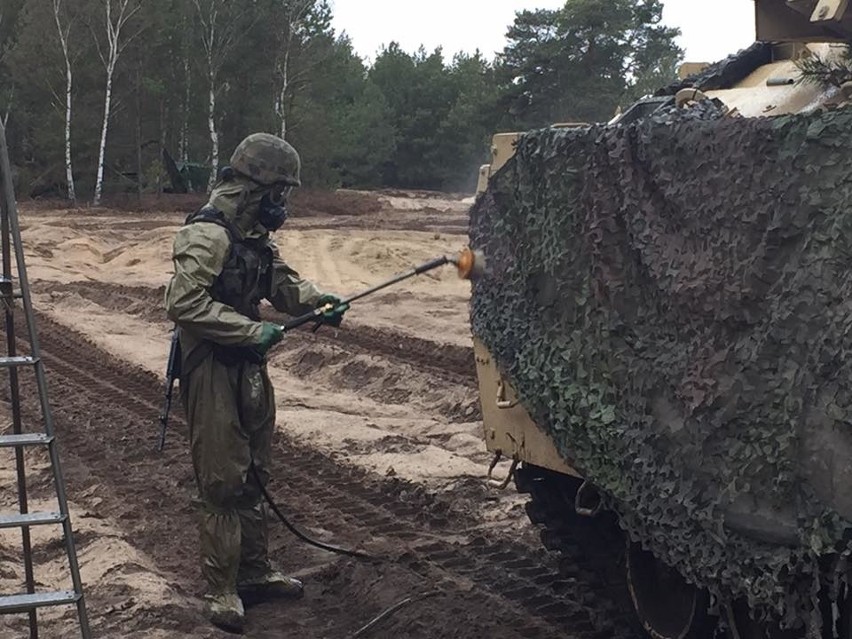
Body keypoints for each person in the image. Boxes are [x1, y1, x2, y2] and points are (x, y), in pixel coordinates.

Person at [164, 132, 348, 633]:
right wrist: (249, 329)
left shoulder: (251, 238)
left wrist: (318, 302)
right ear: (257, 188)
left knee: (254, 473)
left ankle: (255, 572)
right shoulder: (209, 235)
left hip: (247, 367)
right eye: (280, 193)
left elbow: (279, 281)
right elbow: (181, 304)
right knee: (222, 481)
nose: (283, 203)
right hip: (212, 369)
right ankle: (222, 588)